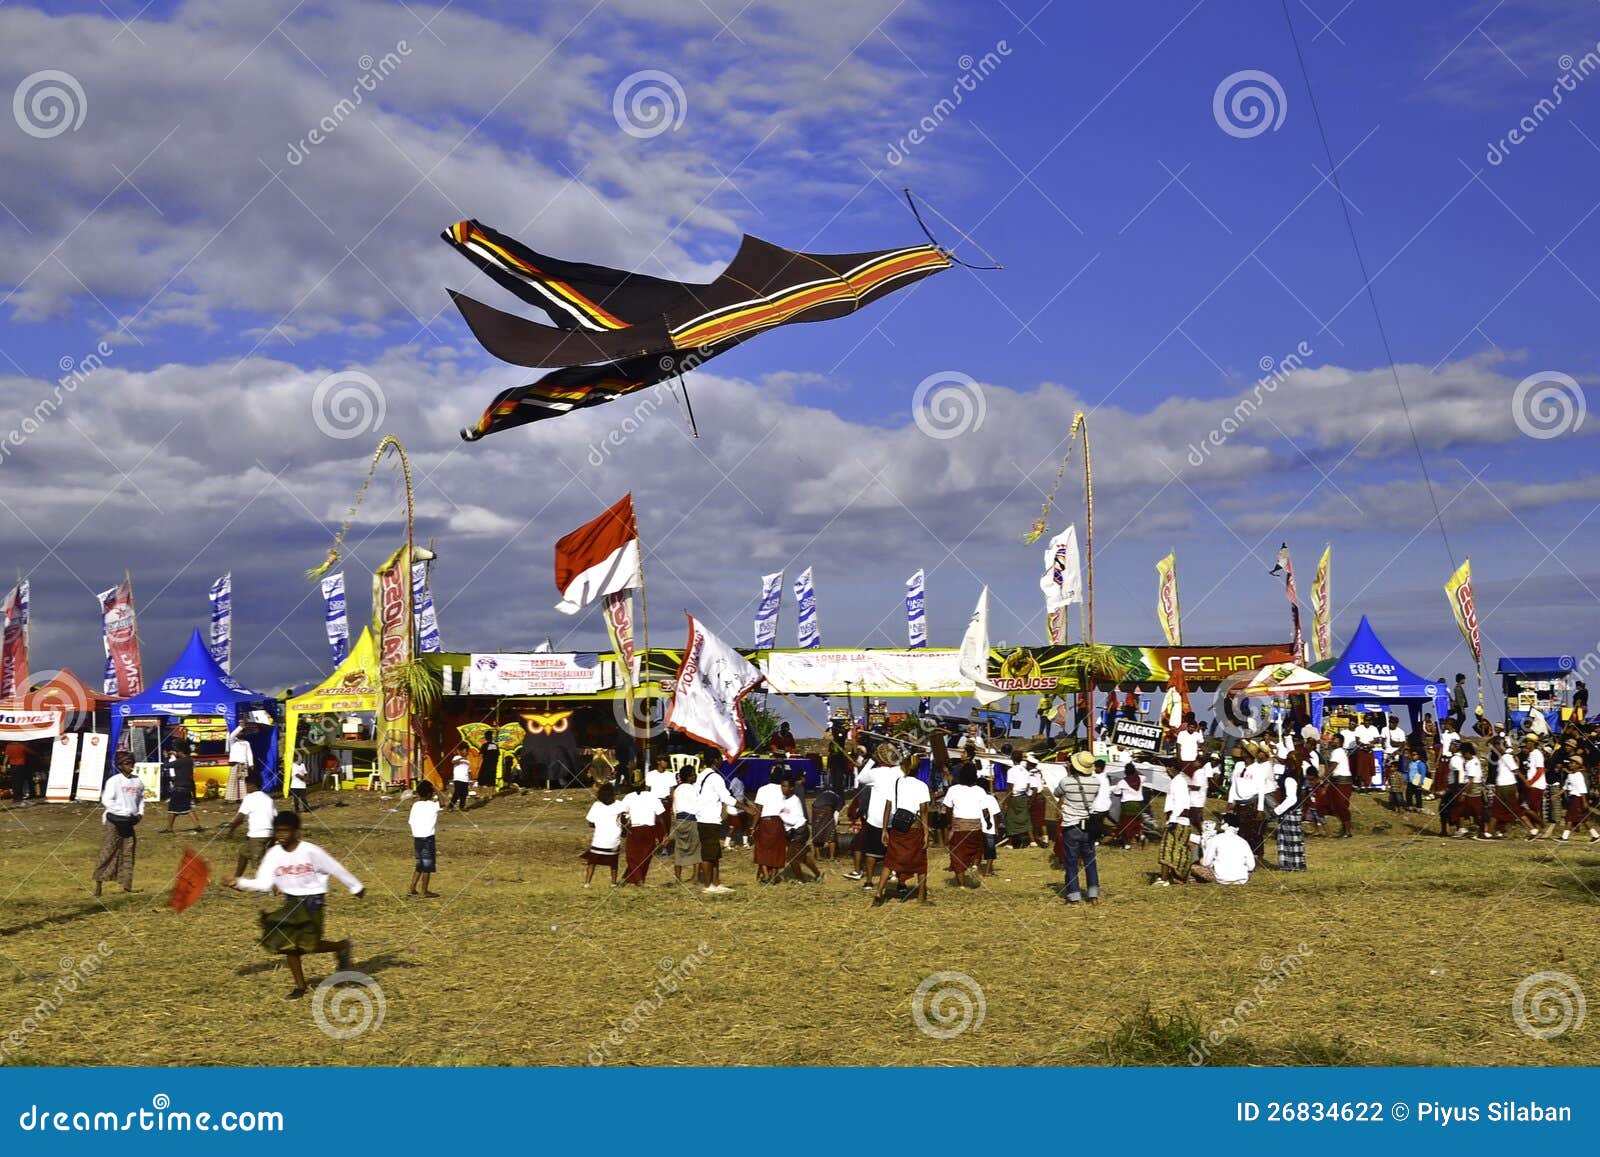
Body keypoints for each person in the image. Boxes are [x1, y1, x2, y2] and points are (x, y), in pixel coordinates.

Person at [226, 810, 363, 1000]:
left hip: (313, 901)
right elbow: (264, 882)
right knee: (288, 945)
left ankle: (340, 947)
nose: (281, 835)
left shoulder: (311, 851)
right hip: (291, 901)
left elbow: (335, 868)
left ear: (296, 832)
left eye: (285, 831)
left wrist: (356, 887)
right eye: (278, 831)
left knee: (308, 945)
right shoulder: (273, 854)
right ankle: (300, 987)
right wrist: (239, 882)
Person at [872, 755, 930, 906]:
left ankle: (879, 892)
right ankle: (921, 897)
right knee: (921, 863)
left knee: (890, 861)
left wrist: (884, 830)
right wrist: (926, 833)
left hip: (898, 827)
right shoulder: (922, 786)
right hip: (915, 828)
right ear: (918, 769)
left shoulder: (896, 783)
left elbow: (888, 807)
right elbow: (924, 810)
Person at [94, 751, 144, 895]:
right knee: (108, 852)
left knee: (128, 853)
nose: (130, 766)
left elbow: (141, 799)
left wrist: (140, 813)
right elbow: (107, 801)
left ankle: (127, 886)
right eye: (127, 763)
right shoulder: (114, 781)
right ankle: (98, 885)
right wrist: (124, 811)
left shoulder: (137, 781)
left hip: (129, 822)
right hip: (114, 821)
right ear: (120, 766)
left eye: (132, 763)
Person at [1055, 751, 1102, 905]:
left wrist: (1070, 774)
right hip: (1088, 825)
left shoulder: (1066, 781)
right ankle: (1093, 895)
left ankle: (1074, 895)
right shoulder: (1096, 782)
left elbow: (1057, 793)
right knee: (1090, 861)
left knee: (1071, 862)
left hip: (1071, 825)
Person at [942, 765, 991, 888]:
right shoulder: (980, 790)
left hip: (959, 827)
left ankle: (961, 885)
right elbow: (985, 811)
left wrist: (949, 823)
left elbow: (948, 809)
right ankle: (974, 865)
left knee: (958, 855)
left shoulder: (953, 790)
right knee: (976, 849)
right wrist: (988, 822)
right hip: (976, 827)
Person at [692, 757, 736, 893]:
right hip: (709, 819)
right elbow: (726, 797)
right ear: (715, 760)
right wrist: (745, 808)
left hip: (703, 818)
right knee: (709, 854)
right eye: (720, 759)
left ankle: (716, 882)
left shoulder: (700, 776)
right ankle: (708, 885)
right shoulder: (716, 777)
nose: (722, 762)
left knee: (715, 853)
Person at [226, 774, 277, 878]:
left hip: (258, 834)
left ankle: (275, 884)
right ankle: (236, 879)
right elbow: (276, 818)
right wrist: (274, 838)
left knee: (258, 864)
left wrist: (231, 830)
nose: (246, 788)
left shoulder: (249, 798)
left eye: (246, 785)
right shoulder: (268, 798)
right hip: (269, 832)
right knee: (243, 853)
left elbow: (240, 818)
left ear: (252, 785)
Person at [749, 767, 789, 883]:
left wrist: (753, 826)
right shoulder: (784, 790)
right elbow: (787, 808)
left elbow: (759, 810)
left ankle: (766, 875)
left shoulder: (762, 789)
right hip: (778, 822)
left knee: (762, 849)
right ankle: (773, 876)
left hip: (765, 822)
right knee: (777, 849)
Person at [620, 779, 664, 885]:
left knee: (632, 855)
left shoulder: (629, 797)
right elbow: (660, 816)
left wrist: (624, 828)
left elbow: (622, 814)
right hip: (649, 829)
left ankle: (638, 879)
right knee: (645, 855)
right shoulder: (653, 796)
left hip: (635, 829)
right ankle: (631, 878)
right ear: (645, 786)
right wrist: (664, 833)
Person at [1157, 761, 1194, 886]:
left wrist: (1172, 820)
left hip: (1178, 820)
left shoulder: (1178, 782)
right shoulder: (1178, 781)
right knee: (1178, 850)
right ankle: (1176, 878)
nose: (1167, 770)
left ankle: (1164, 879)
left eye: (1168, 768)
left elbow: (1179, 803)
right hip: (1180, 820)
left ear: (1173, 768)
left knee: (1166, 850)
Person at [1191, 813, 1255, 884]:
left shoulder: (1216, 839)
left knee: (1193, 867)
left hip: (1221, 878)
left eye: (1222, 822)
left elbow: (1206, 863)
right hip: (1242, 879)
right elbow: (1251, 866)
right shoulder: (1244, 842)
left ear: (1226, 825)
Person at [582, 783, 625, 888]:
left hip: (598, 842)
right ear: (613, 794)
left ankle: (587, 883)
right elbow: (624, 819)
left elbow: (590, 823)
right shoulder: (620, 805)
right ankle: (613, 883)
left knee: (591, 863)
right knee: (613, 864)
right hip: (614, 842)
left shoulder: (596, 805)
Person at [408, 780, 441, 897]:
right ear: (430, 794)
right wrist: (436, 789)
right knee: (427, 866)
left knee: (420, 864)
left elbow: (410, 821)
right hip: (427, 839)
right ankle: (424, 891)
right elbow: (444, 803)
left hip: (417, 838)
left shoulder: (415, 805)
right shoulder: (432, 805)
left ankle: (412, 888)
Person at [1274, 752, 1306, 871]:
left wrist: (1277, 811)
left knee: (1289, 839)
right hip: (1296, 810)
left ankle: (1292, 864)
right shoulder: (1299, 772)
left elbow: (1292, 799)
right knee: (1294, 839)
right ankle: (1295, 864)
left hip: (1289, 811)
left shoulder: (1289, 777)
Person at [668, 768, 701, 885]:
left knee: (679, 849)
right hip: (691, 819)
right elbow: (698, 805)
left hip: (679, 820)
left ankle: (678, 878)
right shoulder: (694, 789)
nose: (696, 776)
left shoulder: (677, 789)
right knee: (696, 848)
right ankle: (695, 877)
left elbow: (674, 807)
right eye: (694, 774)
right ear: (689, 777)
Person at [163, 739, 201, 833]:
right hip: (187, 787)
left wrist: (166, 757)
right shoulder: (189, 760)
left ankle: (169, 828)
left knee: (172, 808)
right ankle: (197, 825)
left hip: (179, 787)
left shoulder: (180, 761)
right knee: (187, 808)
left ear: (180, 751)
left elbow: (167, 765)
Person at [1558, 758, 1597, 841]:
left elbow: (1582, 789)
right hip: (1572, 798)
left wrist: (1584, 801)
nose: (1570, 764)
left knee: (1569, 817)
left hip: (1578, 798)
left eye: (1573, 763)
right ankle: (1595, 835)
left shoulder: (1579, 775)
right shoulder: (1570, 775)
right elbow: (1565, 787)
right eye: (1570, 763)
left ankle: (1564, 837)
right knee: (1583, 818)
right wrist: (1557, 794)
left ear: (1578, 765)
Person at [1111, 764, 1145, 849]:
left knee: (1126, 824)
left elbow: (1116, 793)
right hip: (1139, 804)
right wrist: (1136, 771)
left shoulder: (1122, 782)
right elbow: (1143, 775)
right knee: (1137, 821)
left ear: (1125, 772)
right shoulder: (1140, 778)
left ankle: (1127, 843)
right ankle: (1141, 835)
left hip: (1127, 804)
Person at [811, 779, 842, 860]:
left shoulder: (821, 795)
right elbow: (836, 814)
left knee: (817, 832)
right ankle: (831, 856)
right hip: (826, 809)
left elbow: (814, 804)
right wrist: (834, 824)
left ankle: (818, 856)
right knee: (831, 834)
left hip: (815, 810)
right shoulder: (838, 797)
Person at [226, 721, 255, 803]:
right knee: (232, 781)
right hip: (234, 764)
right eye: (239, 732)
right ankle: (231, 798)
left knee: (242, 781)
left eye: (242, 732)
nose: (240, 734)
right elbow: (232, 735)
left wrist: (251, 764)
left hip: (243, 764)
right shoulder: (233, 741)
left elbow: (249, 753)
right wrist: (240, 727)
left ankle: (242, 797)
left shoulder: (246, 743)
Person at [6, 739, 32, 805]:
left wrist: (4, 764)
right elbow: (31, 752)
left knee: (14, 782)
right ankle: (19, 798)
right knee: (20, 782)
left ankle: (15, 798)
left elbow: (7, 756)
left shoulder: (8, 746)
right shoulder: (21, 746)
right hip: (20, 765)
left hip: (12, 766)